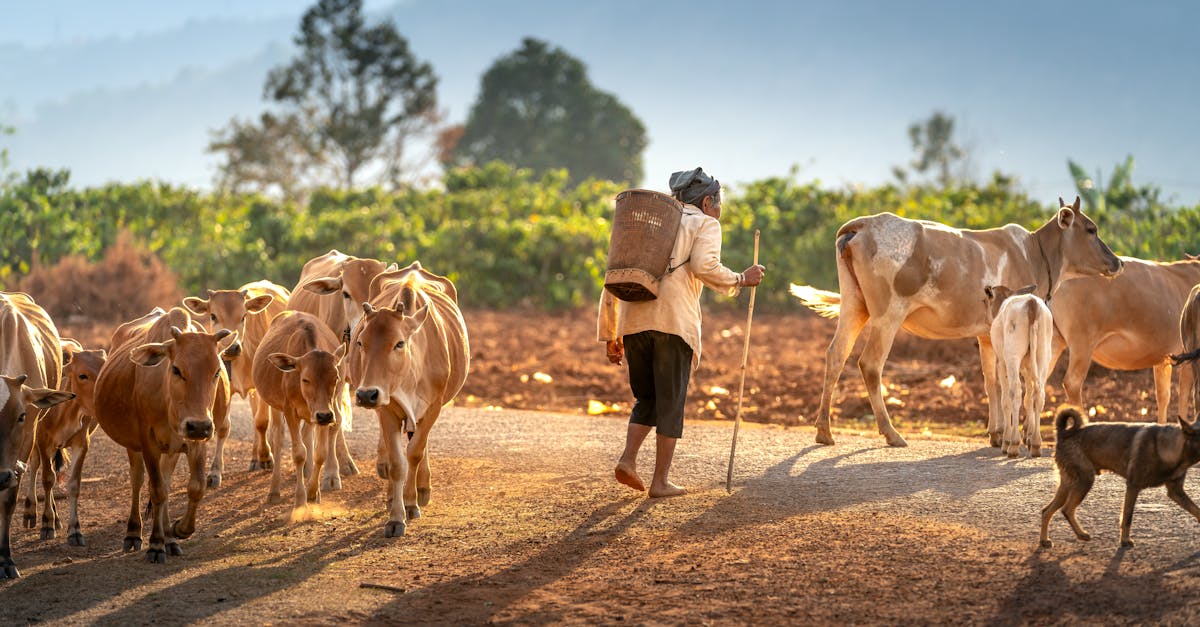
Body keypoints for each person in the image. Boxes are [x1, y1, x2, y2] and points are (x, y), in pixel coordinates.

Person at [598, 167, 765, 497]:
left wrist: (610, 333)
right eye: (719, 204)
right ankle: (660, 481)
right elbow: (705, 266)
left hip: (632, 322)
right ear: (706, 201)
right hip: (673, 323)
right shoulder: (704, 223)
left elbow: (614, 274)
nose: (719, 211)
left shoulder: (647, 222)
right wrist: (741, 279)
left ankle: (628, 459)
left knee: (647, 397)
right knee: (671, 401)